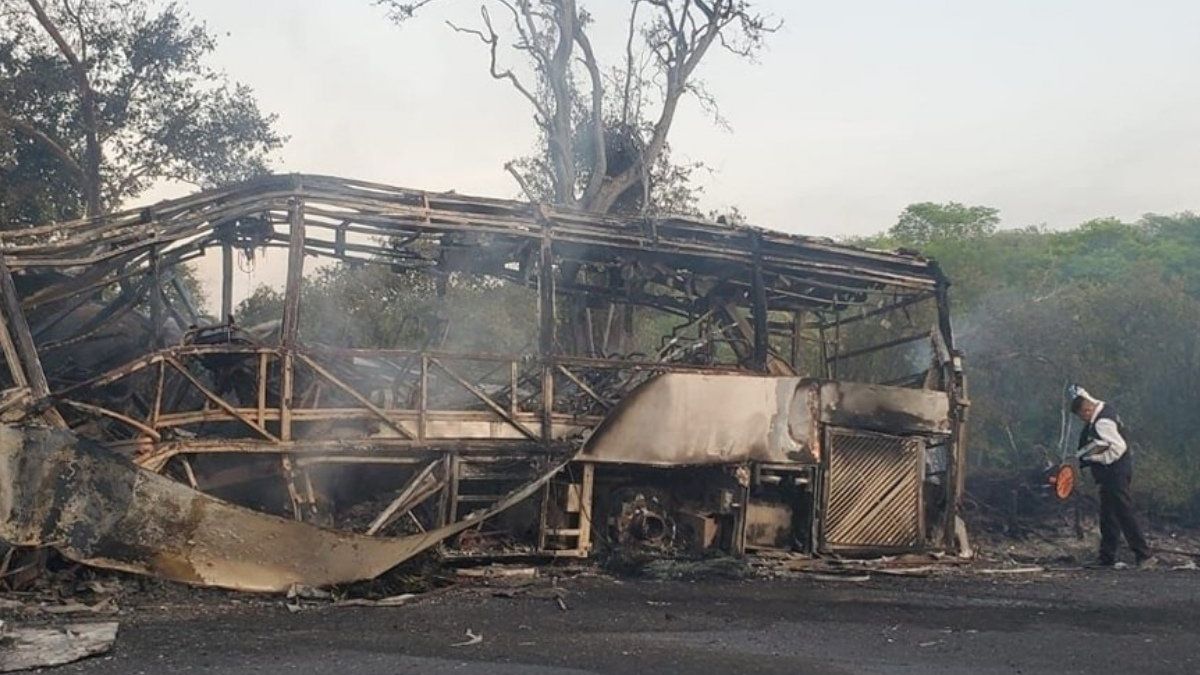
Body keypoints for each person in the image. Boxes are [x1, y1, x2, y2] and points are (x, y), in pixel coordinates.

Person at [1070, 388, 1154, 568]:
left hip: (1115, 472)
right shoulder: (1102, 408)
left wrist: (1094, 458)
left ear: (1087, 411)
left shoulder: (1102, 423)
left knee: (1124, 512)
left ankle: (1144, 555)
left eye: (1081, 416)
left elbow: (1118, 447)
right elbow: (1084, 395)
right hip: (1114, 472)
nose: (1082, 420)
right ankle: (1107, 557)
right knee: (1108, 515)